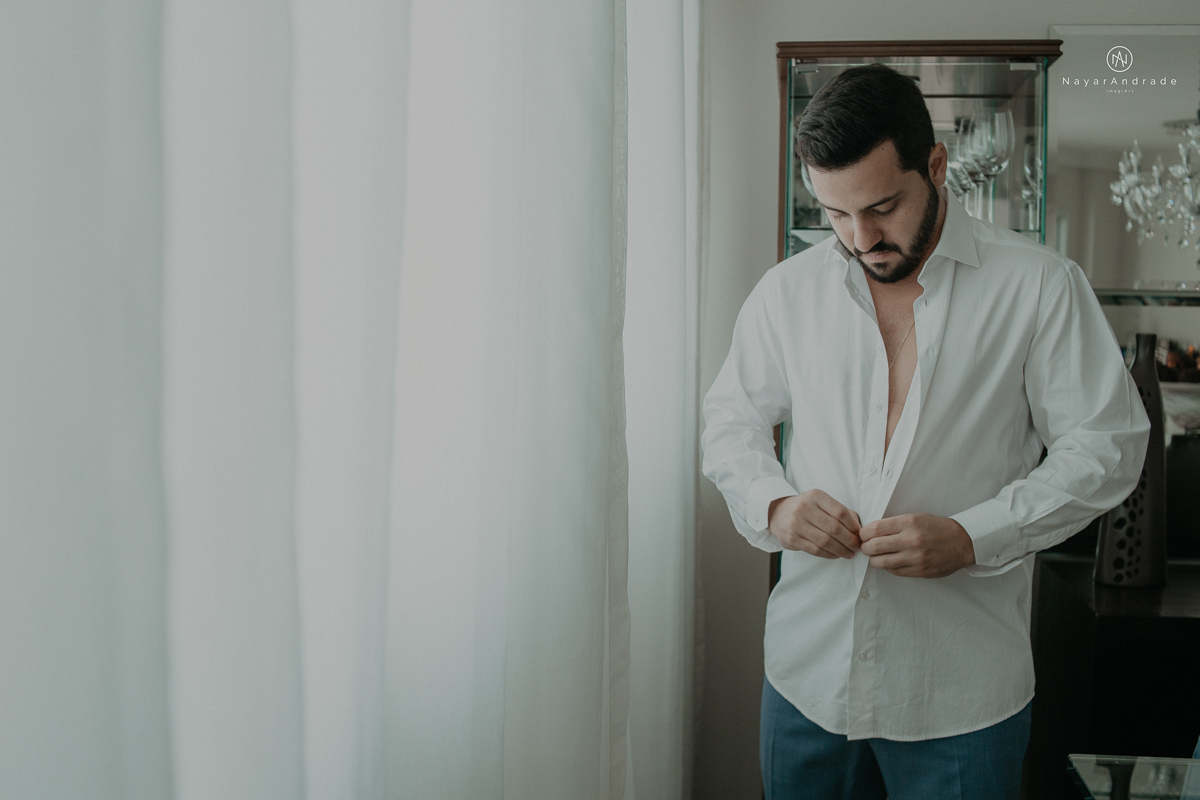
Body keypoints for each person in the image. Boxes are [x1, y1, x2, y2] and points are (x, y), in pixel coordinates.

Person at [700, 64, 1151, 800]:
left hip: (962, 698)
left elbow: (1107, 445)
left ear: (936, 166)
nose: (859, 237)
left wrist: (978, 535)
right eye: (835, 214)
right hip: (806, 683)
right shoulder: (787, 293)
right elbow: (731, 423)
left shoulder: (1038, 286)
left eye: (881, 207)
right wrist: (773, 504)